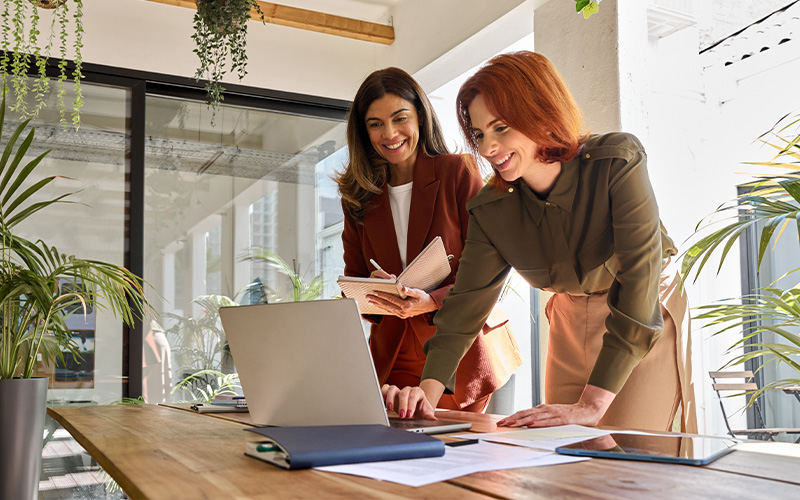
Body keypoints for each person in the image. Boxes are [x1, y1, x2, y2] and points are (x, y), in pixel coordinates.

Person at [381, 51, 696, 432]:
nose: (487, 148)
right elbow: (465, 309)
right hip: (567, 317)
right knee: (564, 459)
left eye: (500, 128)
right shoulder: (491, 209)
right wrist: (424, 398)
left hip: (642, 313)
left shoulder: (616, 163)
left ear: (540, 112)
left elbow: (639, 281)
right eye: (479, 134)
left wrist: (592, 404)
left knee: (640, 460)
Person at [336, 67, 522, 414]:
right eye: (375, 124)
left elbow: (490, 269)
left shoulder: (457, 172)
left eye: (399, 118)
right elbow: (354, 282)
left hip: (460, 347)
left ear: (420, 116)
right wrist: (372, 291)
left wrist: (431, 300)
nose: (389, 133)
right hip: (394, 353)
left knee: (458, 458)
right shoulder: (357, 197)